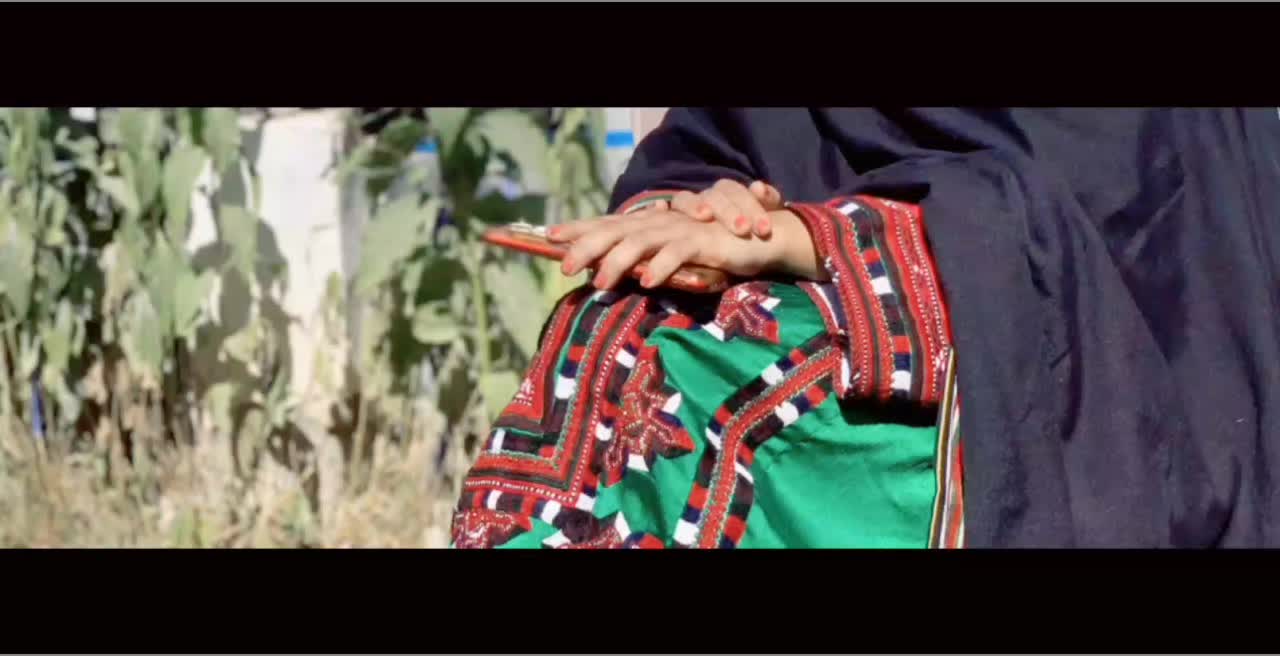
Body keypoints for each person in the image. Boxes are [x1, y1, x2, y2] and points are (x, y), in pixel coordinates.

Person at [452, 108, 1280, 548]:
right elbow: (712, 143)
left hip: (1092, 366)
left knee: (734, 361)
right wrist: (706, 210)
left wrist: (807, 240)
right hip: (841, 280)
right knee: (618, 325)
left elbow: (1118, 220)